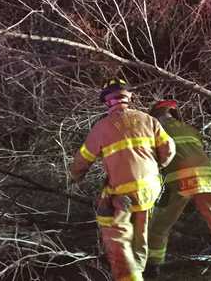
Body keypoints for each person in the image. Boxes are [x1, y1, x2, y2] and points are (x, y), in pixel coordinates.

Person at [69, 79, 176, 281]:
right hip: (150, 186)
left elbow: (83, 158)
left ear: (107, 102)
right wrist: (156, 166)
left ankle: (129, 275)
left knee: (115, 230)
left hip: (123, 191)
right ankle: (143, 268)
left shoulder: (102, 127)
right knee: (141, 231)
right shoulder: (148, 120)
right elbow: (169, 149)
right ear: (129, 97)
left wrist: (74, 176)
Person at [145, 100, 211, 278]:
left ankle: (152, 265)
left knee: (160, 224)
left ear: (155, 116)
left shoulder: (154, 130)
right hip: (207, 176)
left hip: (178, 179)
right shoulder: (189, 129)